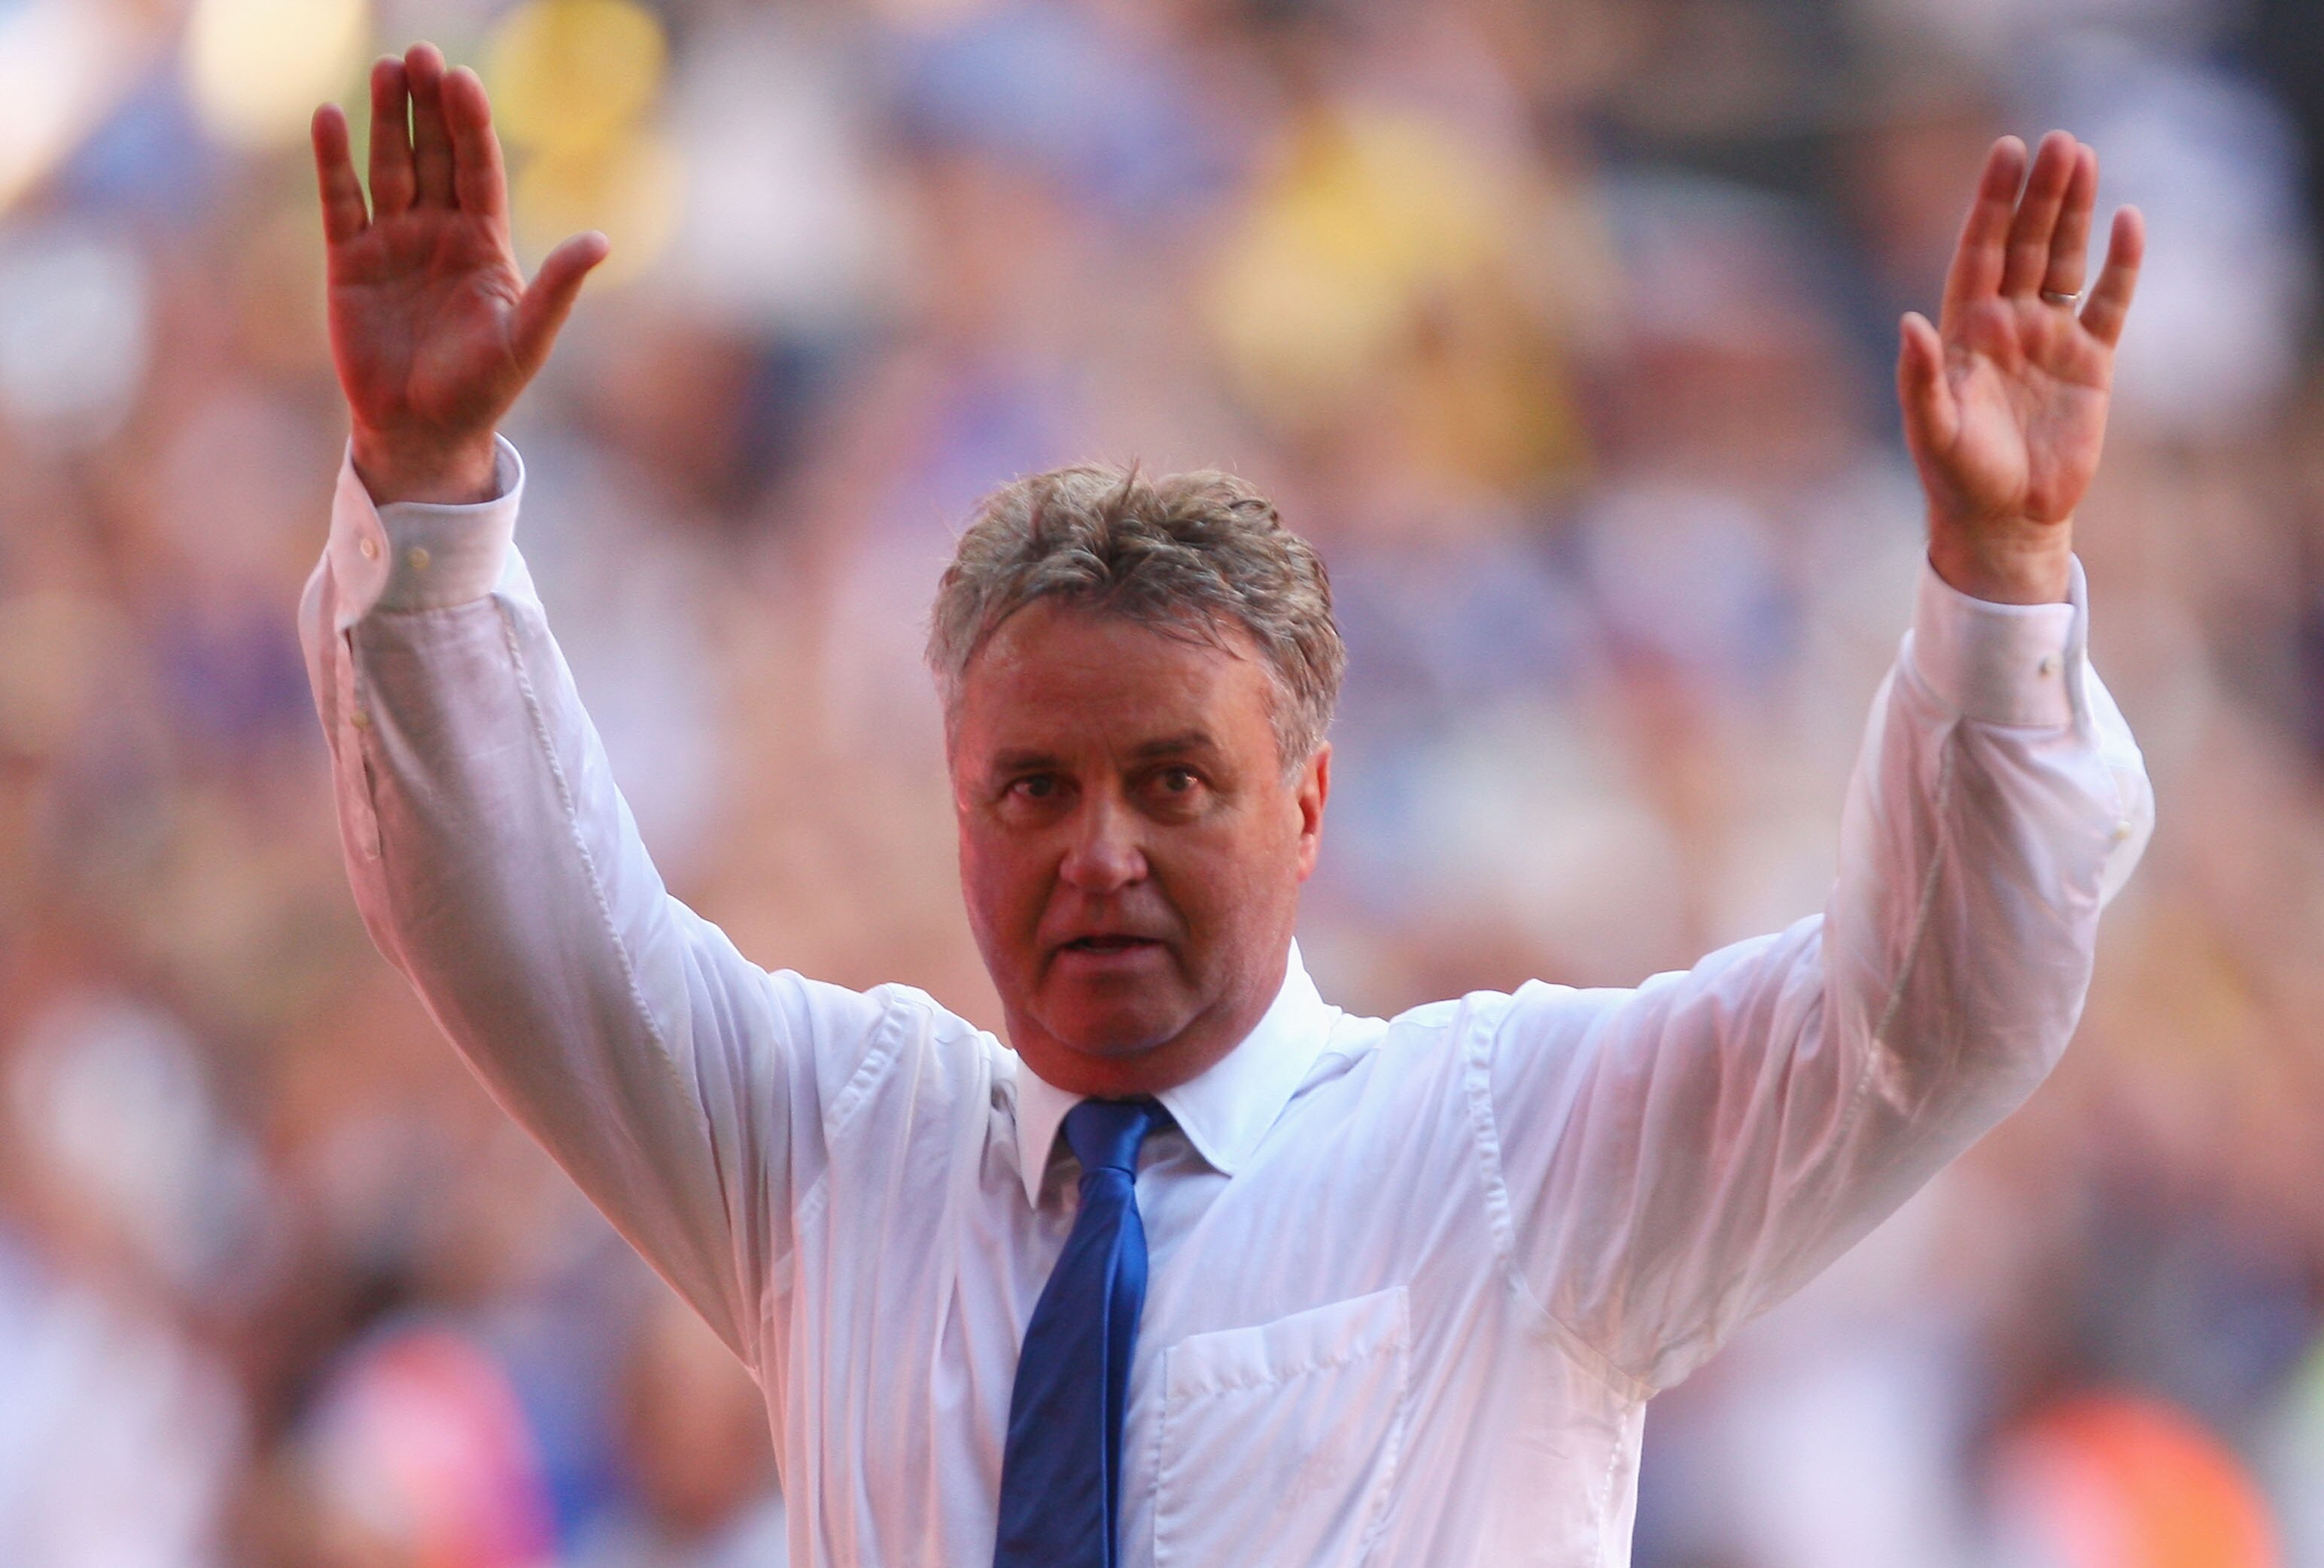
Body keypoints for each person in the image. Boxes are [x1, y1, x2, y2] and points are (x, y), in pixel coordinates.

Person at [300, 42, 2152, 1568]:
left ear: (1308, 808)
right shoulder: (834, 1151)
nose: (1096, 850)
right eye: (1033, 786)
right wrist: (429, 495)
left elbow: (1933, 1019)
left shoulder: (1507, 1142)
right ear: (957, 816)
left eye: (1172, 780)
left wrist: (1997, 583)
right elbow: (518, 927)